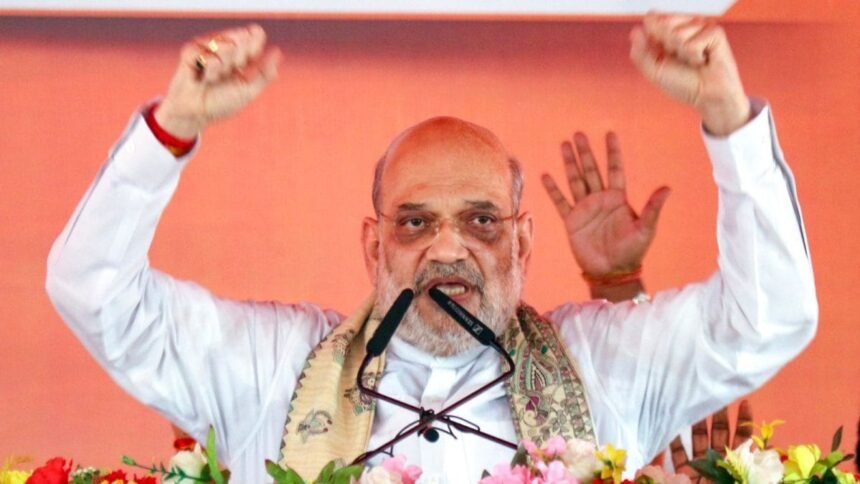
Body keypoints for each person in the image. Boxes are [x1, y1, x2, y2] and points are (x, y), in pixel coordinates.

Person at [46, 13, 817, 483]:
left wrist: (729, 122)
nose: (447, 246)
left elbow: (770, 318)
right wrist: (171, 130)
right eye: (415, 222)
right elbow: (94, 293)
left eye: (481, 221)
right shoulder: (269, 366)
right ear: (372, 243)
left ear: (522, 241)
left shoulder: (604, 365)